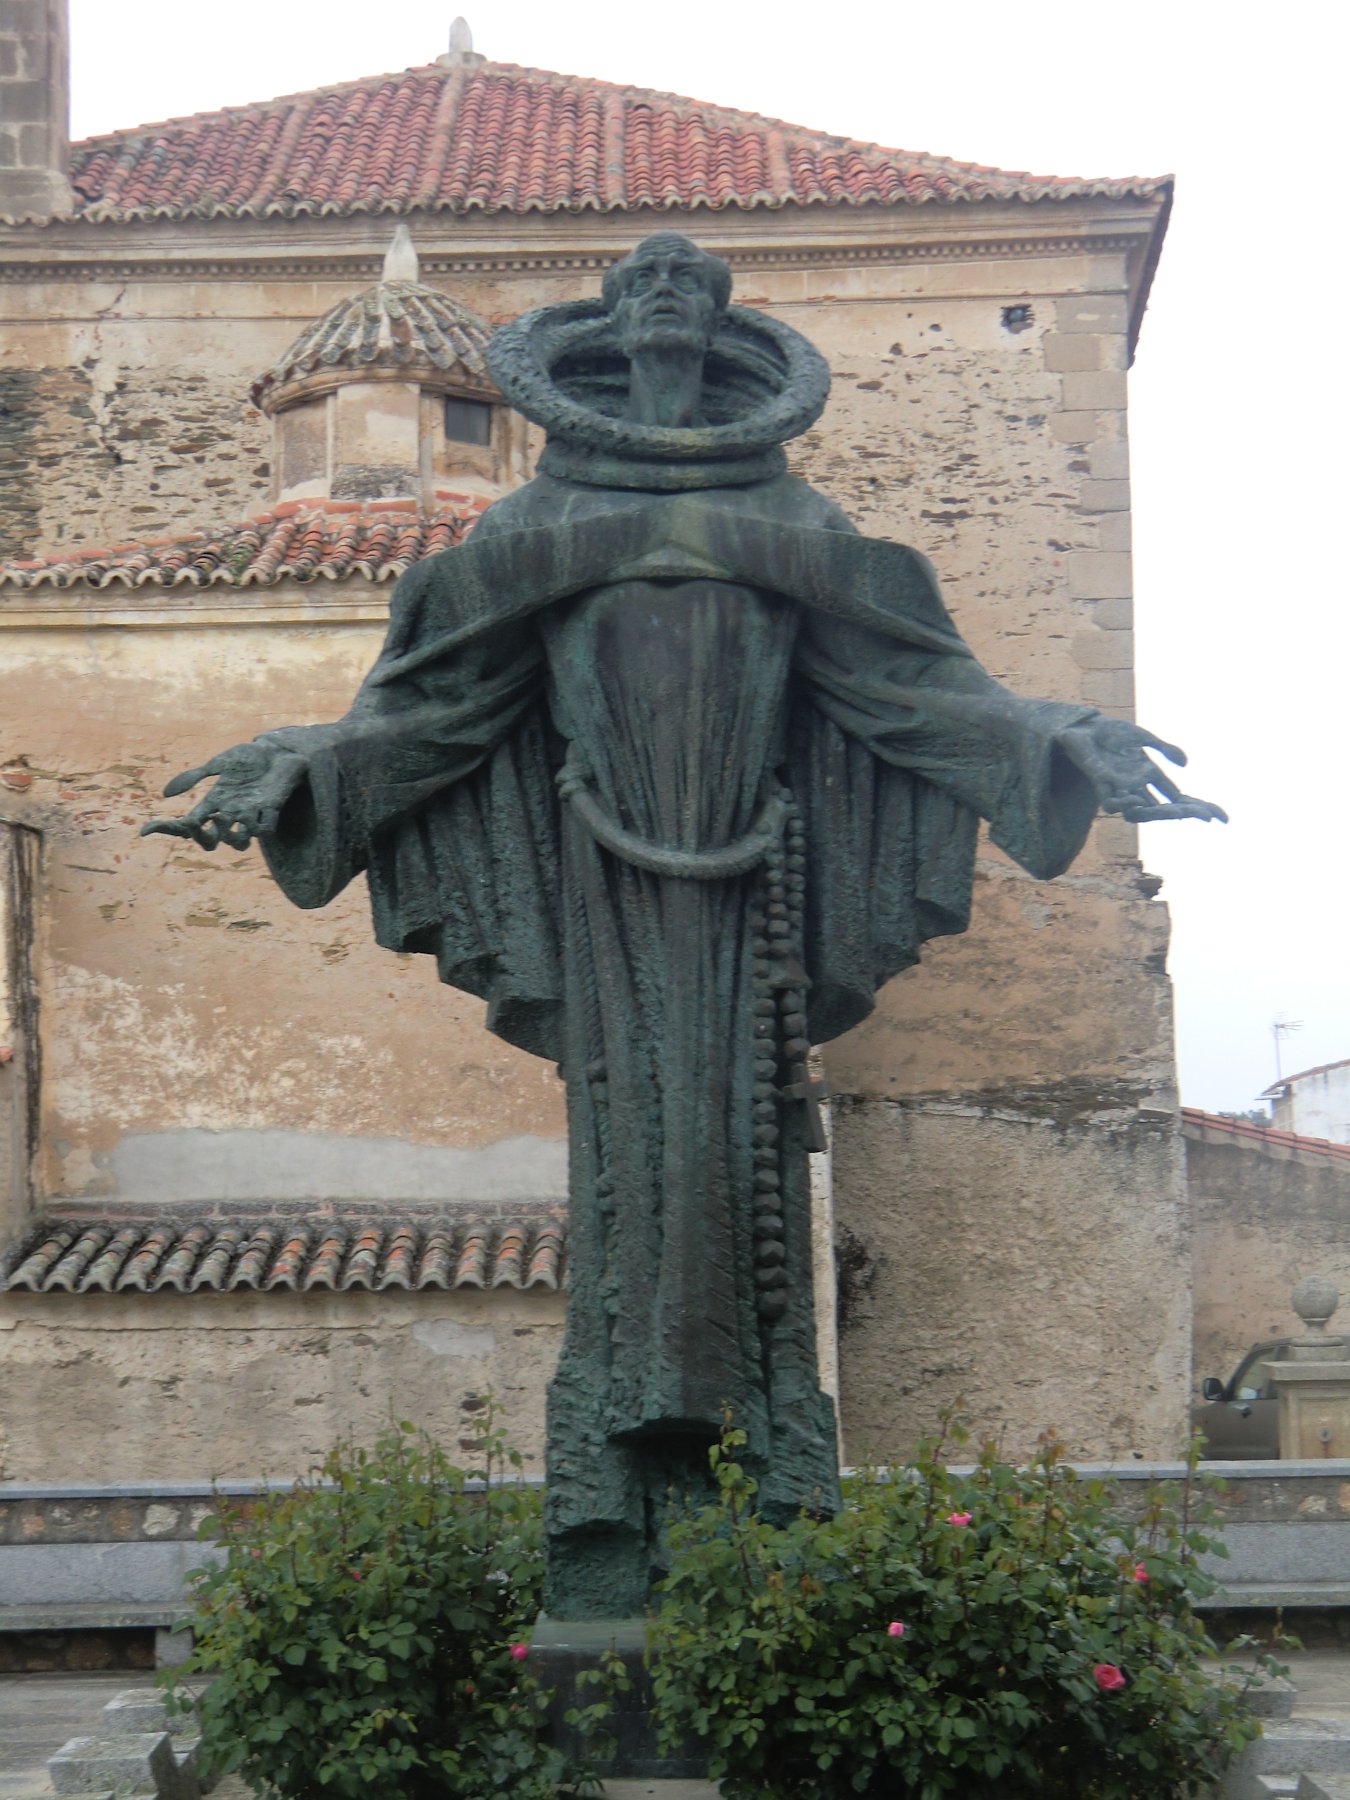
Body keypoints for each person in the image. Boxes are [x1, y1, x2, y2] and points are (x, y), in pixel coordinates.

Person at [144, 234, 1223, 1617]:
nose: (663, 297)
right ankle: (611, 1488)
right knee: (635, 1165)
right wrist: (301, 768)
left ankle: (759, 1473)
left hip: (750, 892)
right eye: (639, 286)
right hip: (601, 895)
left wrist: (1056, 733)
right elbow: (426, 711)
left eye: (690, 290)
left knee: (733, 1147)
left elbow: (918, 694)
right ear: (595, 343)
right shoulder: (529, 532)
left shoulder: (802, 532)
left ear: (723, 346)